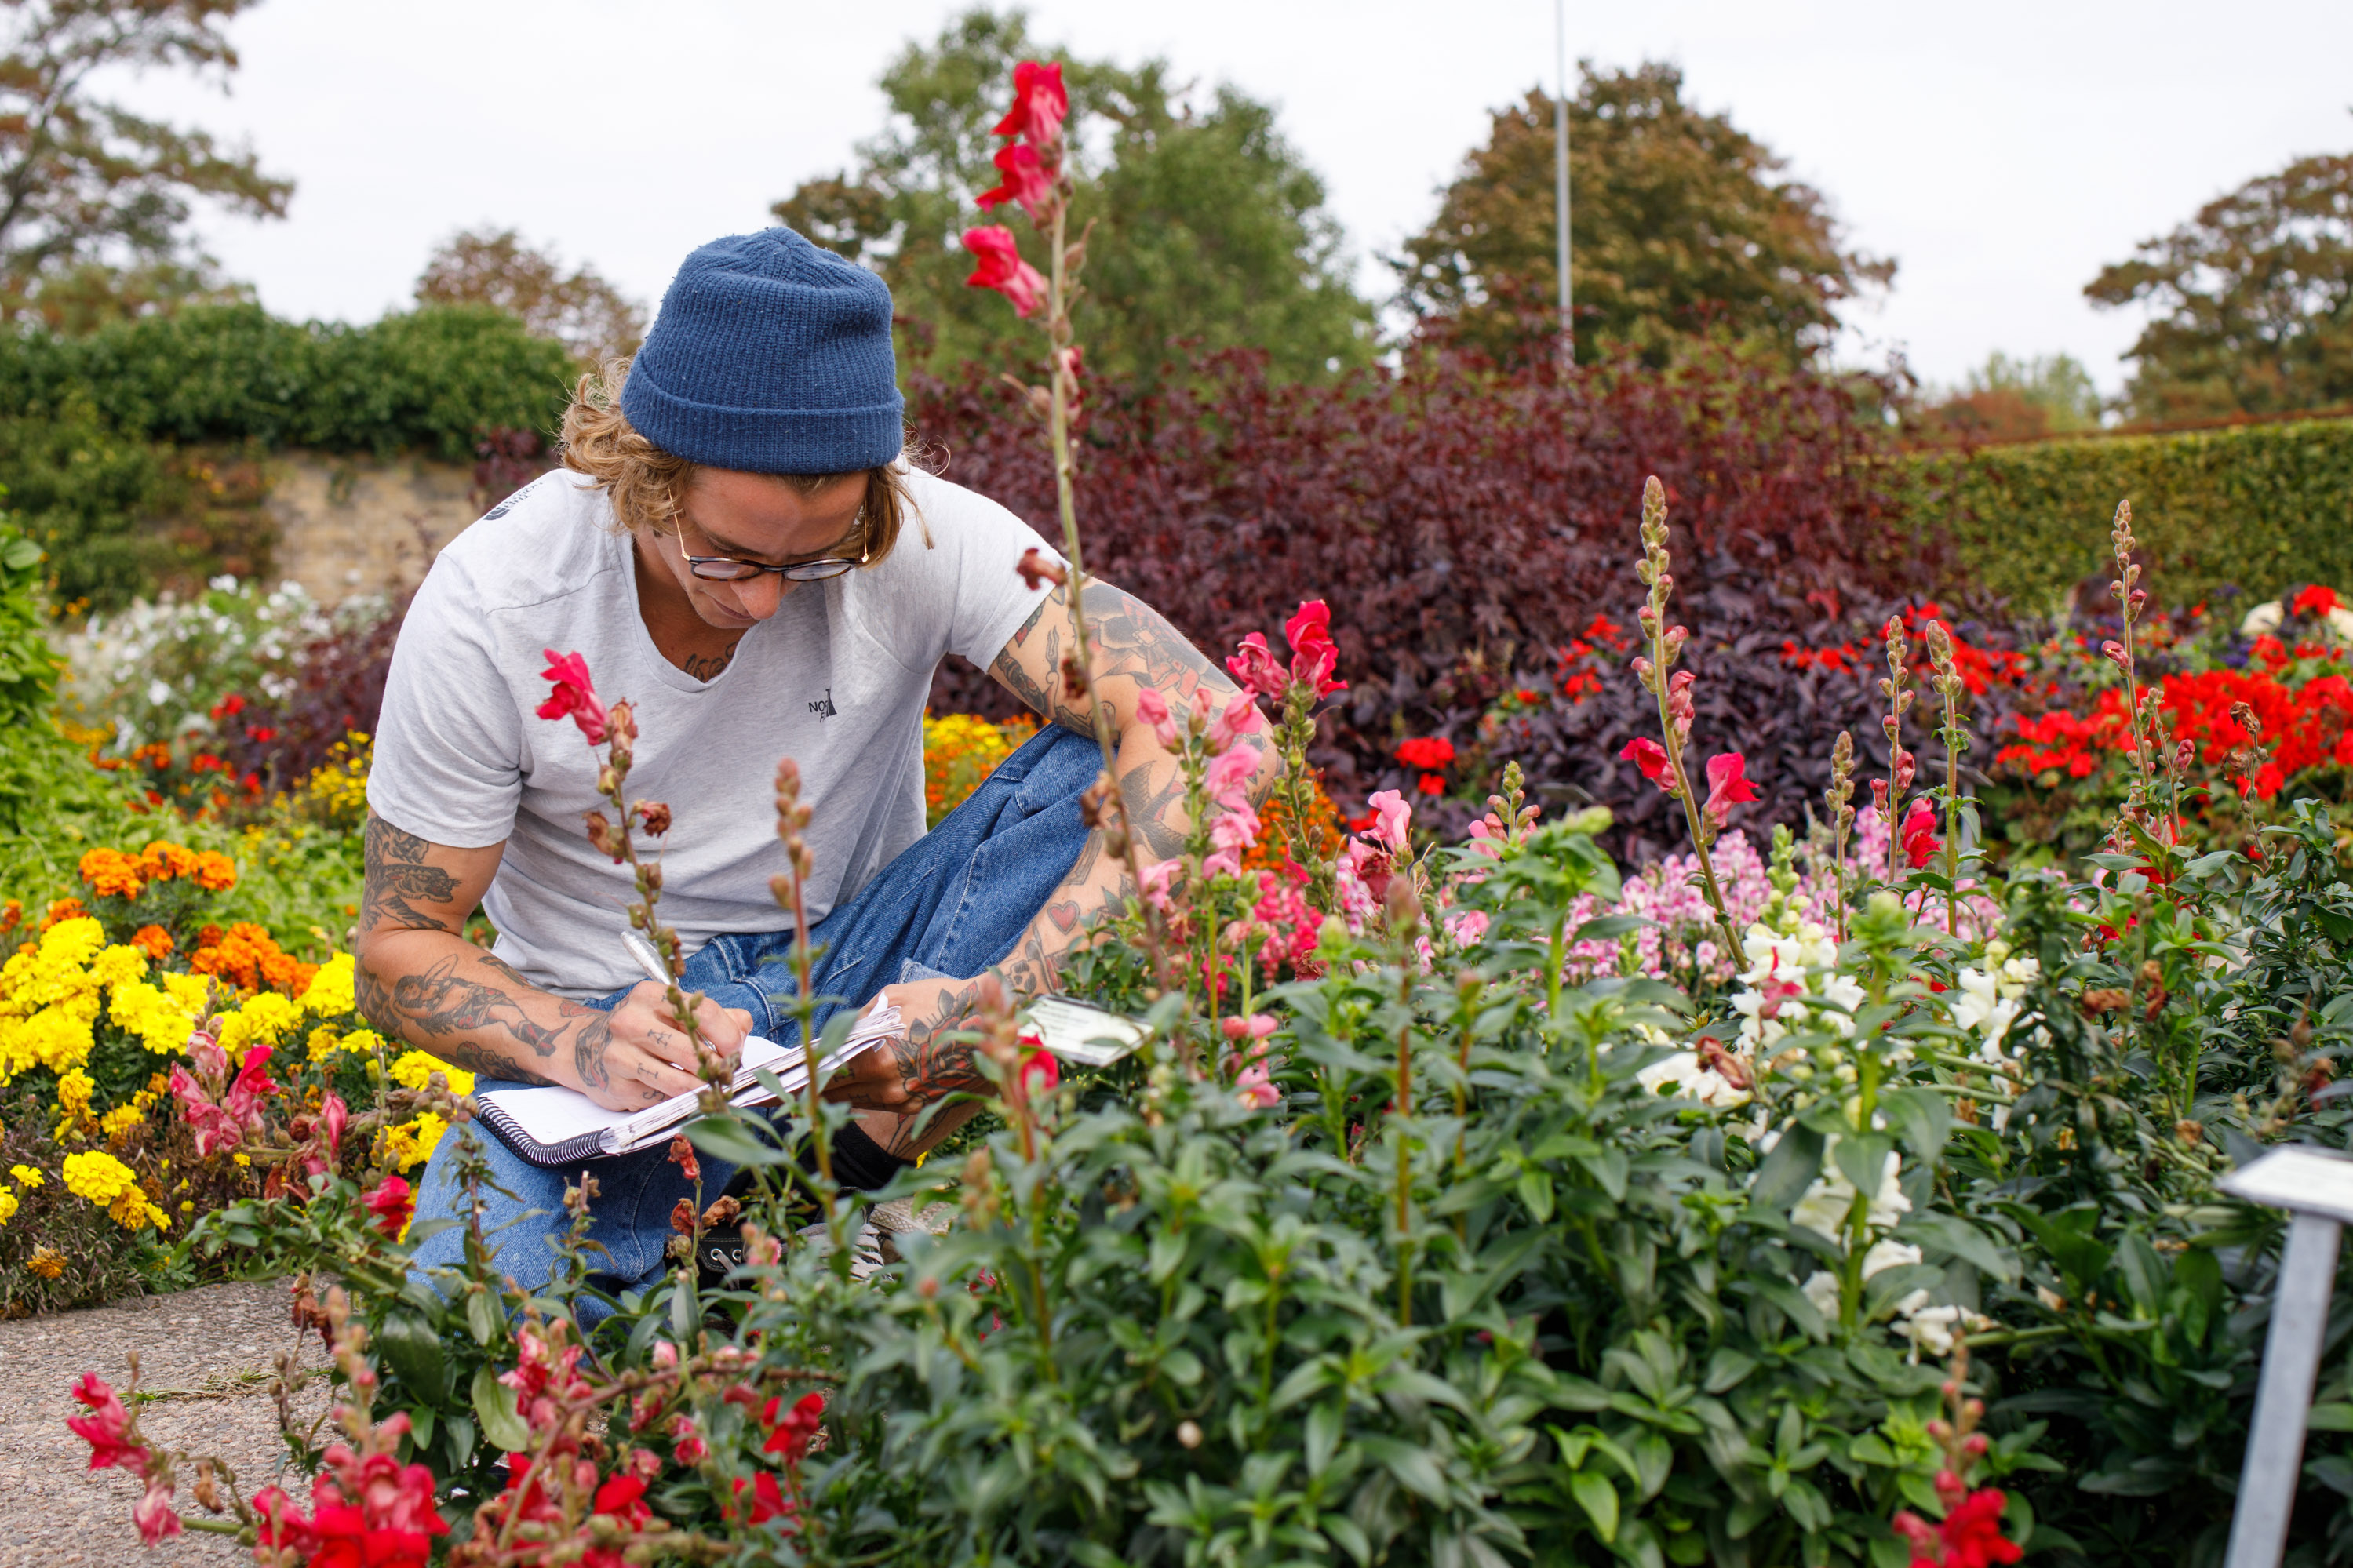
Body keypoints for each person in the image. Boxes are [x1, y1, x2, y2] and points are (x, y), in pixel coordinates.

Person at [355, 226, 1255, 1304]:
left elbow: (1209, 721)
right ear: (640, 477)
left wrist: (1002, 1004)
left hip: (859, 980)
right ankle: (735, 1236)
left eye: (816, 556)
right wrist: (584, 1045)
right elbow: (400, 946)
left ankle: (839, 1179)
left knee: (1103, 766)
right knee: (472, 1336)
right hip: (616, 1038)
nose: (766, 602)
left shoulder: (920, 529)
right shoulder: (497, 600)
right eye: (725, 557)